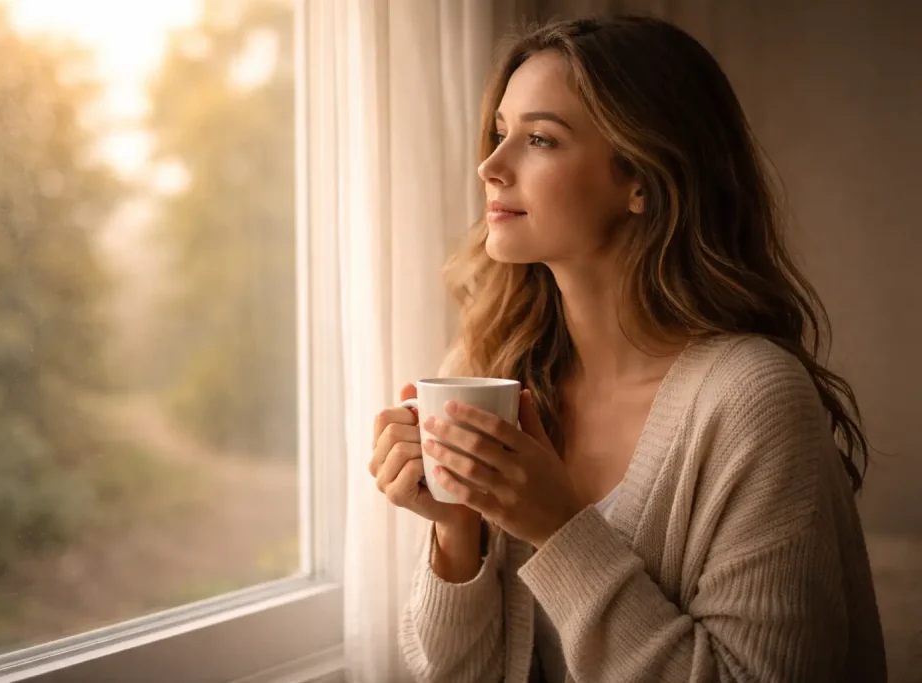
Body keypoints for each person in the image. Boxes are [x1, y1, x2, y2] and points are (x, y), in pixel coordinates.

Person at [367, 15, 887, 683]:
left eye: (539, 139)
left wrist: (558, 527)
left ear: (641, 176)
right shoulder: (487, 368)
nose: (490, 166)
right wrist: (455, 530)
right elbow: (454, 673)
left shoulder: (753, 398)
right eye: (500, 134)